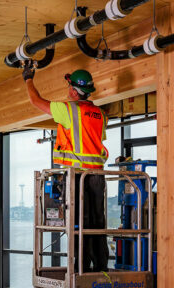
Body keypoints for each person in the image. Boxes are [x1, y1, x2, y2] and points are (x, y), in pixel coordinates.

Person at [24, 65, 109, 272]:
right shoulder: (100, 114)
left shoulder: (69, 109)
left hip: (78, 176)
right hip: (97, 175)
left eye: (68, 87)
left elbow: (36, 101)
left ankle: (81, 267)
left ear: (73, 91)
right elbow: (96, 142)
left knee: (79, 221)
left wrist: (28, 79)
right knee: (98, 222)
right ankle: (100, 266)